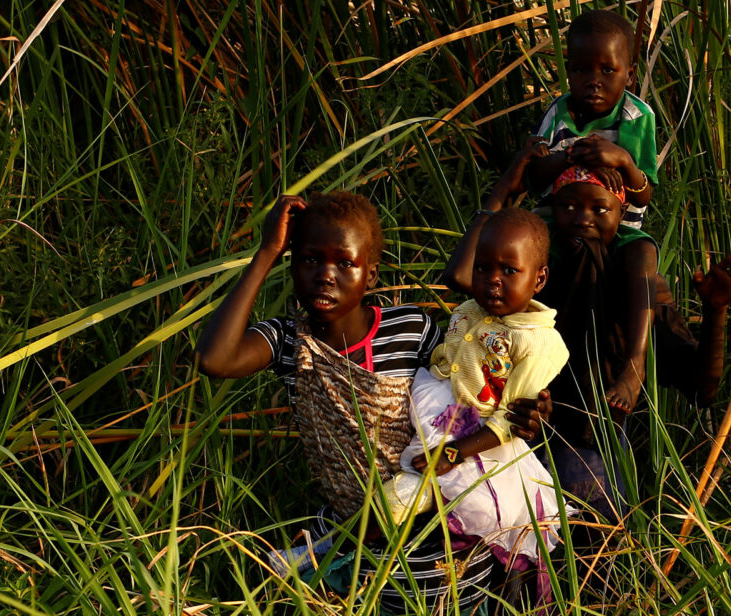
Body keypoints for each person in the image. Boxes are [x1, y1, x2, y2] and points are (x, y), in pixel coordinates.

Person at [194, 191, 551, 527]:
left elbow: (465, 402)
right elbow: (214, 360)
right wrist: (267, 252)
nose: (325, 276)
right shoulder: (289, 342)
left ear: (371, 274)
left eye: (346, 263)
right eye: (309, 260)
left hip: (438, 533)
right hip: (349, 530)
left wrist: (528, 416)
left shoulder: (410, 329)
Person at [446, 153, 731, 522]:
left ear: (621, 217)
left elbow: (705, 390)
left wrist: (716, 312)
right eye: (568, 206)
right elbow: (463, 276)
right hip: (502, 441)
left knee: (588, 534)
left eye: (599, 209)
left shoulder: (638, 295)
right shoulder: (528, 283)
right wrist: (503, 192)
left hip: (587, 448)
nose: (582, 220)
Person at [398, 209, 569, 567]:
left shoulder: (538, 342)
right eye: (483, 267)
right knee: (409, 502)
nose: (493, 280)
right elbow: (457, 274)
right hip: (433, 413)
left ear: (539, 280)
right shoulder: (471, 309)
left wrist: (453, 453)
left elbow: (512, 417)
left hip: (477, 443)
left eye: (509, 271)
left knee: (494, 523)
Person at [527, 9, 657, 231]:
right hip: (558, 226)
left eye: (607, 70)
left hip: (619, 231)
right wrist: (575, 155)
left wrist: (623, 160)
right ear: (568, 72)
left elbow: (643, 198)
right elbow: (534, 180)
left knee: (643, 253)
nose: (594, 81)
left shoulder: (637, 116)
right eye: (581, 70)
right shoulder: (558, 112)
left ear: (630, 75)